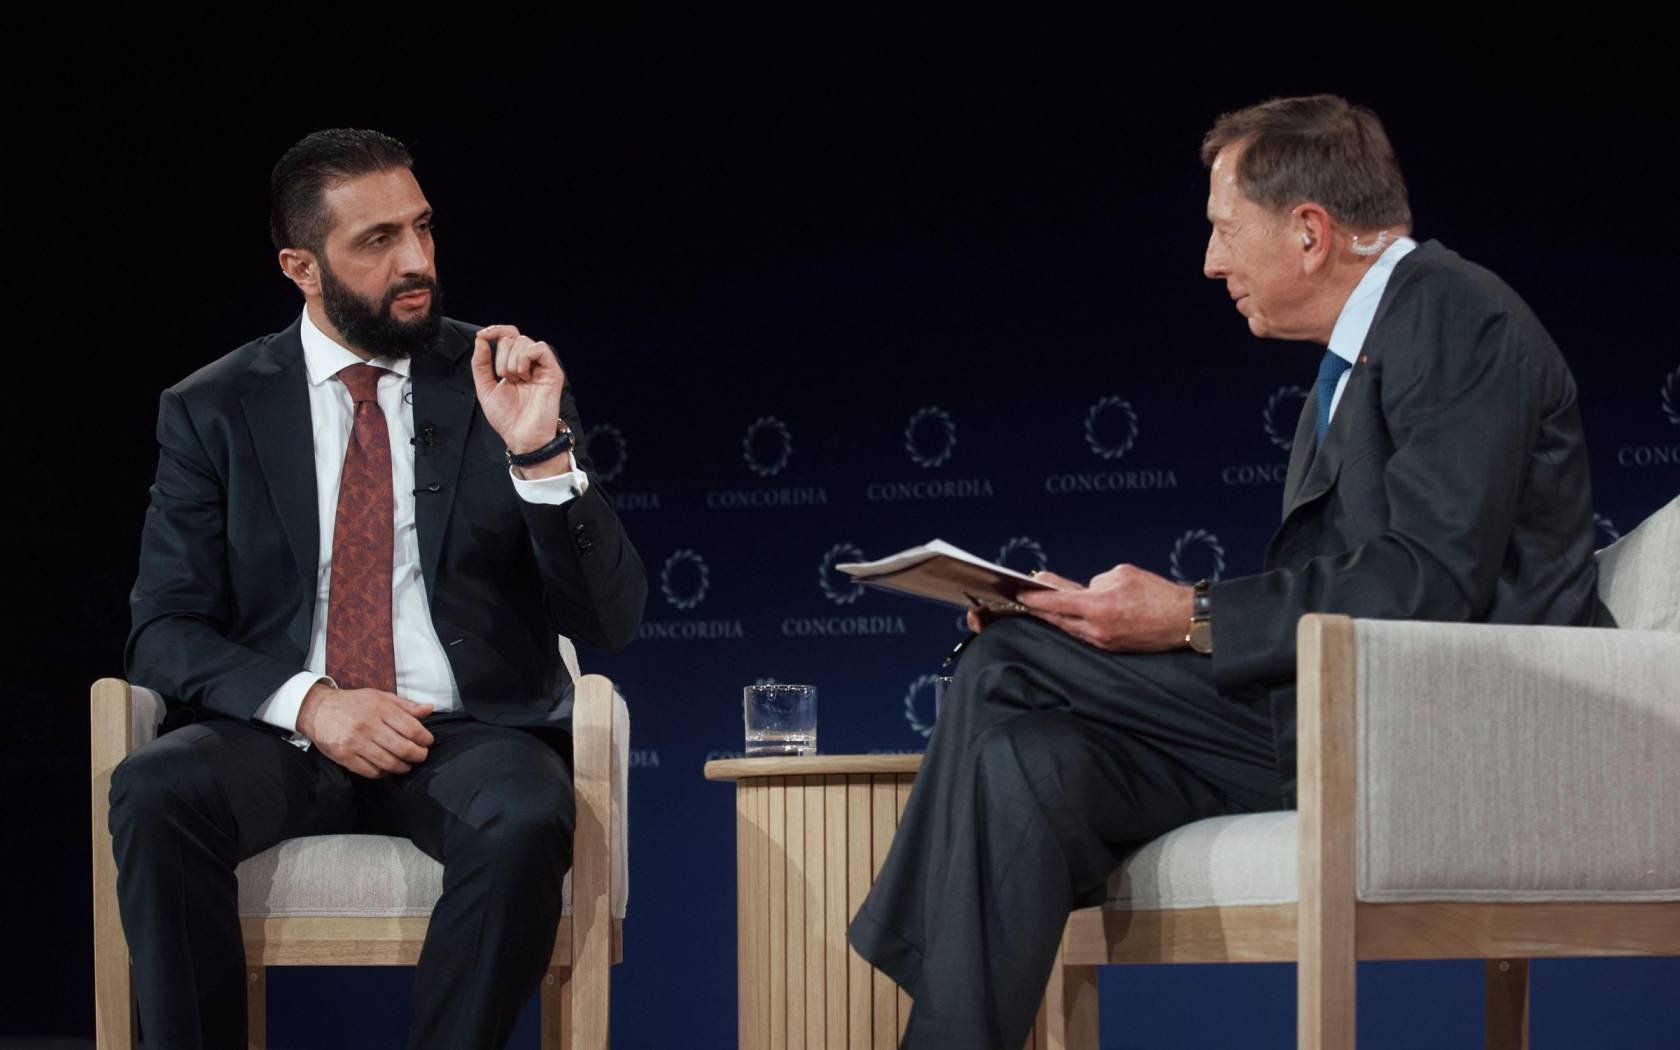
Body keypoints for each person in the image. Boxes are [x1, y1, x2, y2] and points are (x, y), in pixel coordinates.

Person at [847, 94, 1612, 1048]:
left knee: (1016, 664)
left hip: (1436, 726)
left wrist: (1188, 615)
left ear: (1308, 231)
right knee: (1024, 755)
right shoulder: (1367, 352)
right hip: (1337, 708)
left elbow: (1427, 582)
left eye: (1222, 230)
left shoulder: (1458, 316)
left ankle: (905, 980)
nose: (1210, 262)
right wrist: (1095, 614)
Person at [109, 128, 647, 1050]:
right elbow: (163, 631)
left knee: (525, 813)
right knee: (156, 792)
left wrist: (540, 456)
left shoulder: (498, 379)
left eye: (424, 229)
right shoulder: (214, 406)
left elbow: (612, 621)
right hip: (279, 734)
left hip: (468, 733)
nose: (416, 262)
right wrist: (312, 703)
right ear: (301, 267)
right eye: (377, 240)